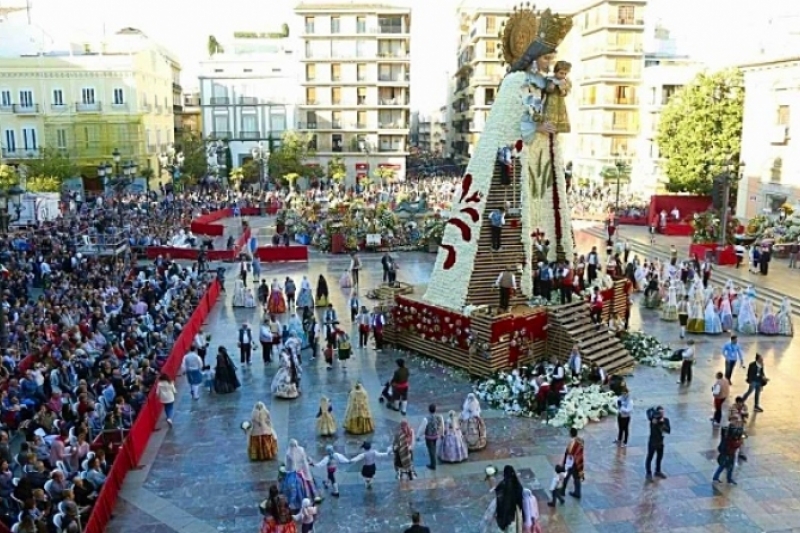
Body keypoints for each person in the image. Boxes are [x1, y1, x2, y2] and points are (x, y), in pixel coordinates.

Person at [279, 440, 316, 513]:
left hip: (294, 473)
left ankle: (295, 502)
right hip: (301, 472)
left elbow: (287, 465)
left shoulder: (289, 453)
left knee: (295, 488)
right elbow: (304, 460)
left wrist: (286, 470)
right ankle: (304, 499)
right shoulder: (300, 450)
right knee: (302, 486)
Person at [542, 60, 571, 133]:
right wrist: (553, 85)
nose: (563, 75)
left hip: (560, 104)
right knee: (549, 122)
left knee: (558, 124)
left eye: (565, 74)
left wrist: (562, 90)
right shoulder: (550, 79)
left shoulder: (565, 81)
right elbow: (547, 90)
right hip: (550, 104)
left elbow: (564, 94)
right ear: (555, 71)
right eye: (561, 73)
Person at [493, 465, 524, 530]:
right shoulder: (516, 484)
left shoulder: (502, 485)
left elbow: (498, 494)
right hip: (514, 513)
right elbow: (520, 499)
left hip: (504, 513)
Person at [645, 405, 671, 480]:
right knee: (650, 457)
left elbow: (668, 431)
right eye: (660, 413)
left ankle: (658, 471)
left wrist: (662, 424)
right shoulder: (653, 420)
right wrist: (654, 421)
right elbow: (649, 415)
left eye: (663, 412)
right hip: (652, 442)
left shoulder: (666, 420)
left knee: (659, 457)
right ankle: (648, 473)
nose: (661, 414)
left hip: (660, 442)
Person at [416, 404, 444, 471]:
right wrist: (442, 434)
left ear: (429, 410)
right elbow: (442, 426)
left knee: (430, 450)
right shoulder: (439, 417)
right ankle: (433, 462)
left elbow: (422, 428)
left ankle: (433, 464)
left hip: (428, 437)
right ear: (435, 409)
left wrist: (418, 436)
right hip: (435, 436)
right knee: (433, 448)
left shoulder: (426, 419)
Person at [561, 427, 584, 499]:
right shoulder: (580, 441)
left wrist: (564, 462)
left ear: (570, 434)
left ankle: (562, 490)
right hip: (578, 462)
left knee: (566, 476)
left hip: (571, 463)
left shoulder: (571, 443)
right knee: (576, 478)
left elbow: (569, 453)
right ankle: (578, 492)